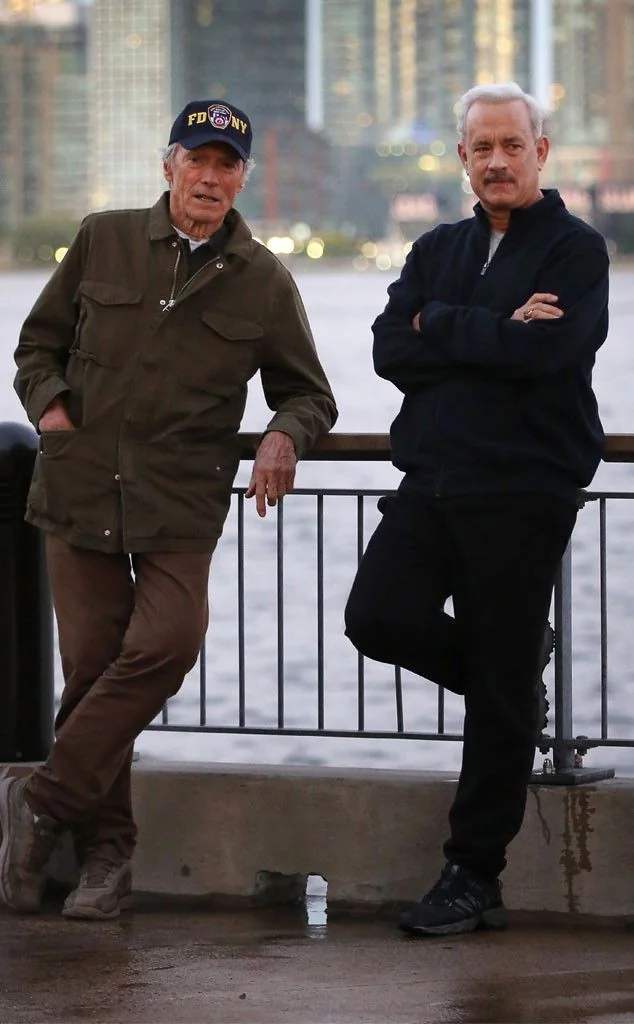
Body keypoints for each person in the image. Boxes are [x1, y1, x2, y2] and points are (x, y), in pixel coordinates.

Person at [3, 99, 337, 920]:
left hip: (179, 502)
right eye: (199, 160)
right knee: (90, 669)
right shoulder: (101, 237)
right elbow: (35, 347)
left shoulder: (264, 279)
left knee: (168, 641)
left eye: (228, 165)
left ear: (242, 179)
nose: (211, 177)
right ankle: (106, 860)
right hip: (79, 491)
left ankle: (39, 801)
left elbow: (309, 393)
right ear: (169, 166)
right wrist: (52, 413)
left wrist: (283, 437)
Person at [344, 82, 608, 936]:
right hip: (431, 484)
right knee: (377, 617)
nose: (497, 160)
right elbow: (390, 350)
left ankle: (472, 874)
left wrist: (444, 327)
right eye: (481, 147)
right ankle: (510, 676)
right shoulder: (436, 246)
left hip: (525, 491)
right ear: (462, 157)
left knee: (496, 680)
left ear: (541, 150)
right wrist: (493, 323)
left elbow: (550, 351)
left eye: (512, 145)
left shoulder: (577, 250)